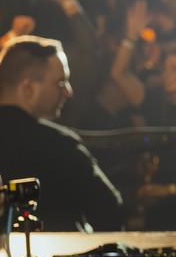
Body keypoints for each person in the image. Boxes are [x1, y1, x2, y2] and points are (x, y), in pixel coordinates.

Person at [0, 36, 123, 231]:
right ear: (28, 88)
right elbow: (109, 211)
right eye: (60, 83)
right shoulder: (60, 146)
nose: (68, 91)